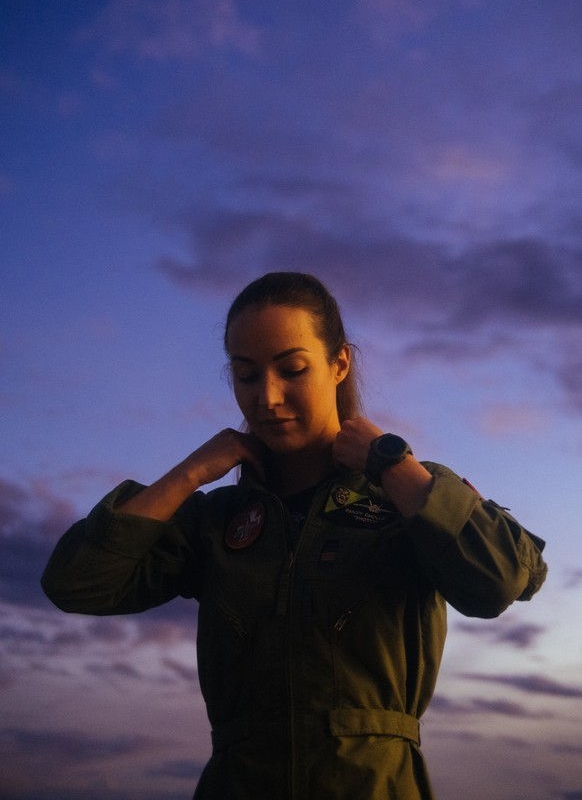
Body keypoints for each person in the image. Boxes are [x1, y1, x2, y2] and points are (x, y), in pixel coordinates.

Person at [42, 271, 547, 800]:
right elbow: (76, 584)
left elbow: (502, 581)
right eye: (246, 376)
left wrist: (392, 462)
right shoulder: (214, 521)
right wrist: (189, 473)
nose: (267, 397)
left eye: (292, 369)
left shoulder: (405, 497)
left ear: (339, 364)